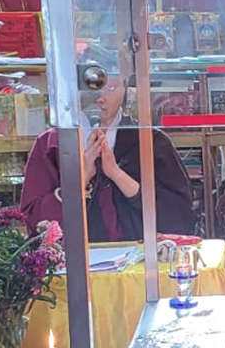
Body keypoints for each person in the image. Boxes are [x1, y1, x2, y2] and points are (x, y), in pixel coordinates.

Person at [21, 64, 196, 241]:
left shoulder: (150, 141)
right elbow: (35, 225)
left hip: (139, 253)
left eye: (111, 88)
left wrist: (117, 174)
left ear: (125, 89)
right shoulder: (52, 145)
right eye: (90, 88)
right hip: (72, 256)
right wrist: (81, 180)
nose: (100, 98)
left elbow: (180, 219)